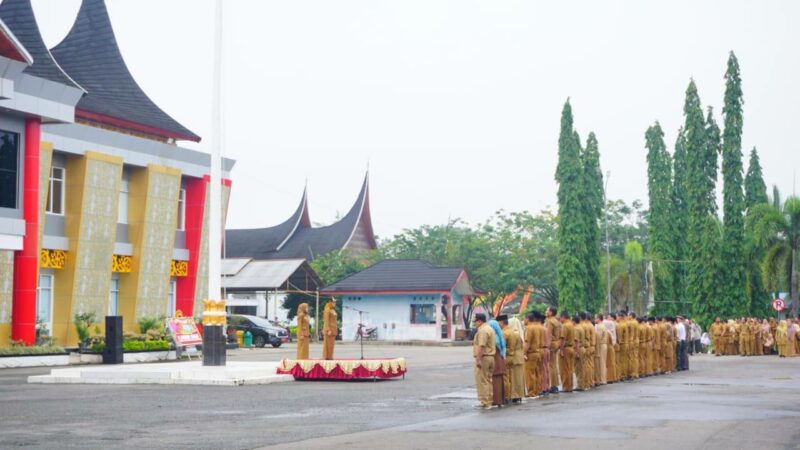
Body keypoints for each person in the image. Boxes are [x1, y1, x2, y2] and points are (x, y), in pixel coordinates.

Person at [472, 313, 496, 409]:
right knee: (488, 380)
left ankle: (485, 402)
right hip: (491, 357)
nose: (475, 324)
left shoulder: (483, 331)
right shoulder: (490, 329)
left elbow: (481, 346)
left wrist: (478, 359)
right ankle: (489, 400)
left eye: (476, 322)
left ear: (480, 321)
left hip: (484, 357)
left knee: (482, 380)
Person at [500, 315, 525, 404]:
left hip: (512, 357)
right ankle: (519, 395)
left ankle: (513, 395)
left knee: (513, 378)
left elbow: (505, 347)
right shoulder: (517, 334)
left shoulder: (506, 333)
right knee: (518, 378)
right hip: (519, 356)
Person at [523, 312, 545, 397]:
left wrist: (524, 353)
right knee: (537, 373)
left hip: (531, 353)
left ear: (527, 319)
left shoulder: (529, 328)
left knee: (530, 374)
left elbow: (527, 342)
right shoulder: (538, 327)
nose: (524, 321)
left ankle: (531, 392)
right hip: (538, 351)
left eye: (524, 319)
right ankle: (537, 390)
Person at [488, 319, 506, 407]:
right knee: (500, 381)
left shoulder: (494, 338)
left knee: (495, 381)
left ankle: (496, 400)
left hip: (496, 360)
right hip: (500, 359)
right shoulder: (499, 336)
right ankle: (500, 400)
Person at [558, 311, 576, 393]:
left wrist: (561, 350)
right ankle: (570, 386)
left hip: (566, 349)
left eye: (560, 318)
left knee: (565, 369)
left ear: (563, 317)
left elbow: (563, 339)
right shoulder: (572, 324)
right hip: (571, 348)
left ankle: (566, 387)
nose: (560, 319)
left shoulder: (565, 326)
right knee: (570, 369)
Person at [545, 306, 562, 393]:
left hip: (551, 344)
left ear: (551, 313)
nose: (545, 311)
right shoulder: (557, 322)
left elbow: (548, 334)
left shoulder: (550, 321)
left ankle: (553, 385)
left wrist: (547, 346)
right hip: (557, 343)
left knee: (551, 366)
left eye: (547, 310)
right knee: (554, 365)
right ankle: (555, 385)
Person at [594, 314, 608, 385]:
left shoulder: (599, 327)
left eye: (595, 318)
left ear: (599, 319)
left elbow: (598, 338)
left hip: (601, 345)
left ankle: (602, 380)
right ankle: (603, 379)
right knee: (603, 362)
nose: (594, 320)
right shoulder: (603, 325)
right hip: (604, 345)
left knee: (601, 363)